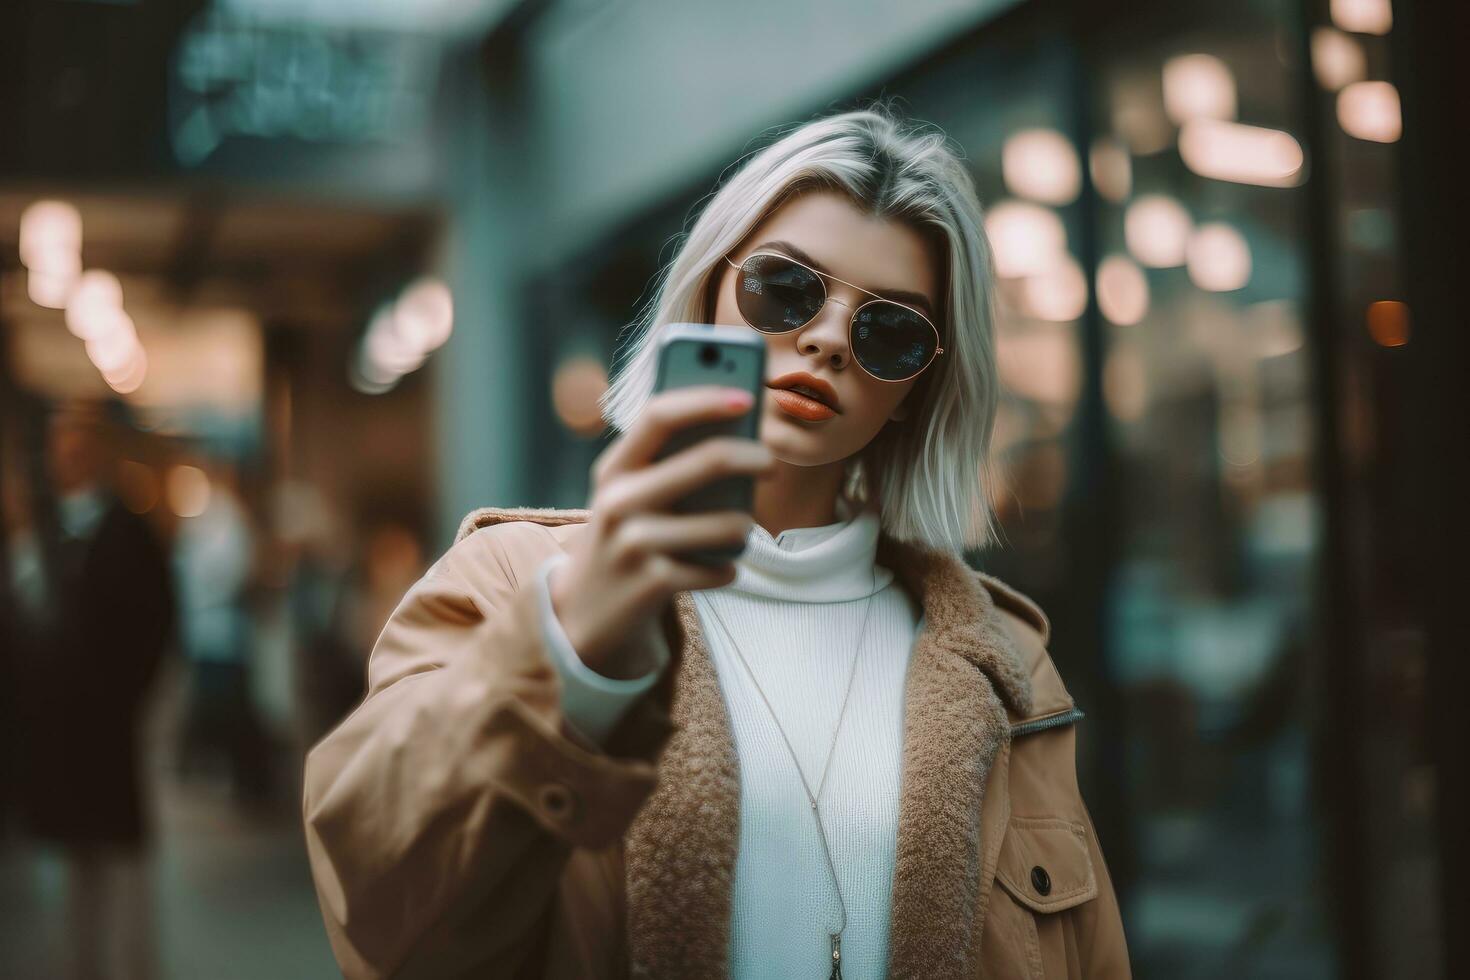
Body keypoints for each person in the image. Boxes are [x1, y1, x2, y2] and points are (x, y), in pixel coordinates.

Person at [302, 102, 1131, 979]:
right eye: (785, 288)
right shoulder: (513, 585)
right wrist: (575, 641)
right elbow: (377, 902)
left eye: (889, 331)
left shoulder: (1006, 663)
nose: (824, 340)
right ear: (706, 295)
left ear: (919, 391)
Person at [22, 403, 175, 980]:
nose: (69, 456)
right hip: (60, 726)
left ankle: (131, 967)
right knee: (72, 861)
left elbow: (158, 619)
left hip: (110, 722)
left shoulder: (126, 531)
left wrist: (130, 695)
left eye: (79, 444)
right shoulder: (46, 531)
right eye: (61, 445)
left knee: (119, 857)